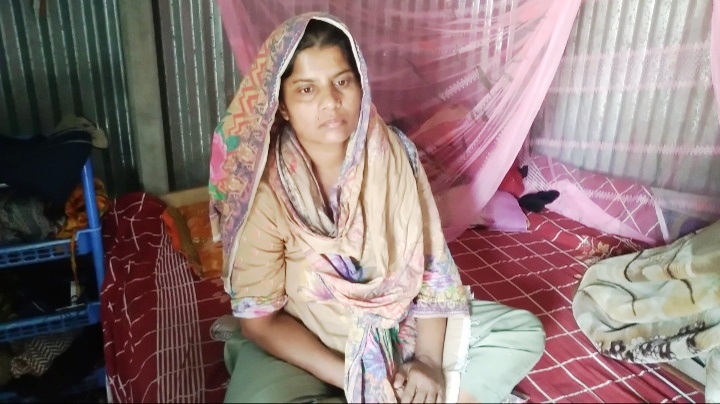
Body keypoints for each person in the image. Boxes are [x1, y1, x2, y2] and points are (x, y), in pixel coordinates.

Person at [208, 13, 545, 403]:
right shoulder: (265, 186)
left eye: (342, 81)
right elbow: (261, 323)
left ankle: (416, 391)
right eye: (306, 89)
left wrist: (428, 362)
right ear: (281, 105)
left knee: (520, 333)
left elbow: (431, 266)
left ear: (361, 84)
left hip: (396, 327)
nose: (330, 102)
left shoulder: (394, 154)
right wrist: (354, 379)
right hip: (306, 344)